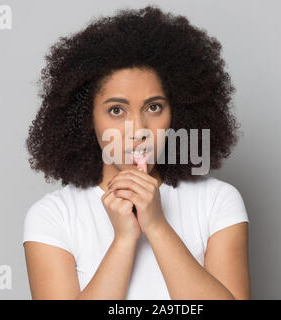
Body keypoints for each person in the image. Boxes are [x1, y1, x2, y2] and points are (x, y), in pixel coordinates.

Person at [22, 5, 250, 300]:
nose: (138, 129)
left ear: (178, 113)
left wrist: (156, 226)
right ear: (84, 119)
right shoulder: (53, 216)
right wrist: (123, 240)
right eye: (116, 110)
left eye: (154, 107)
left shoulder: (217, 201)